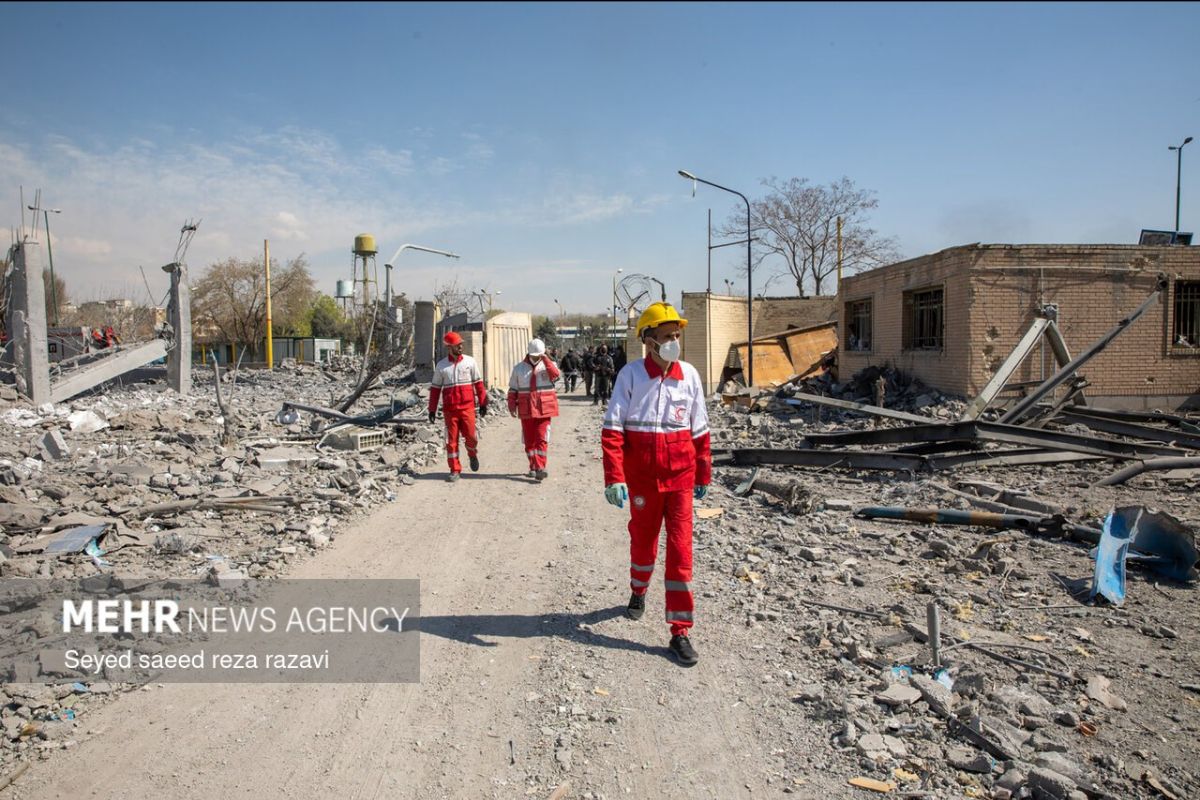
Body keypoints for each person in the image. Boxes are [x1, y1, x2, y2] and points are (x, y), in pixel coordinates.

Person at [601, 302, 711, 666]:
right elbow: (614, 430)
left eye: (676, 335)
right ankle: (638, 591)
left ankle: (680, 631)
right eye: (666, 336)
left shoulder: (690, 376)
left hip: (680, 479)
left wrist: (703, 473)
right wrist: (614, 477)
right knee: (643, 542)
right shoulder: (630, 376)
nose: (673, 342)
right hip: (643, 481)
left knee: (680, 553)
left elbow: (700, 430)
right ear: (648, 340)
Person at [428, 331, 488, 482]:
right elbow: (435, 390)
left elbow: (479, 385)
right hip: (450, 411)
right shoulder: (442, 366)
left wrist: (483, 403)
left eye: (461, 344)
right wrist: (432, 409)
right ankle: (454, 469)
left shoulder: (470, 362)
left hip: (467, 409)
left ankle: (472, 454)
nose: (460, 347)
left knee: (471, 437)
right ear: (449, 347)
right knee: (451, 441)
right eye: (457, 345)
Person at [507, 338, 560, 481]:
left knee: (542, 438)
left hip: (544, 409)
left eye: (539, 355)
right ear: (529, 353)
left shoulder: (549, 365)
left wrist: (546, 359)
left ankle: (540, 467)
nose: (537, 357)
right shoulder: (519, 368)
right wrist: (512, 405)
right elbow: (513, 389)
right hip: (526, 409)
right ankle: (533, 465)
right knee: (530, 441)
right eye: (535, 355)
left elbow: (556, 375)